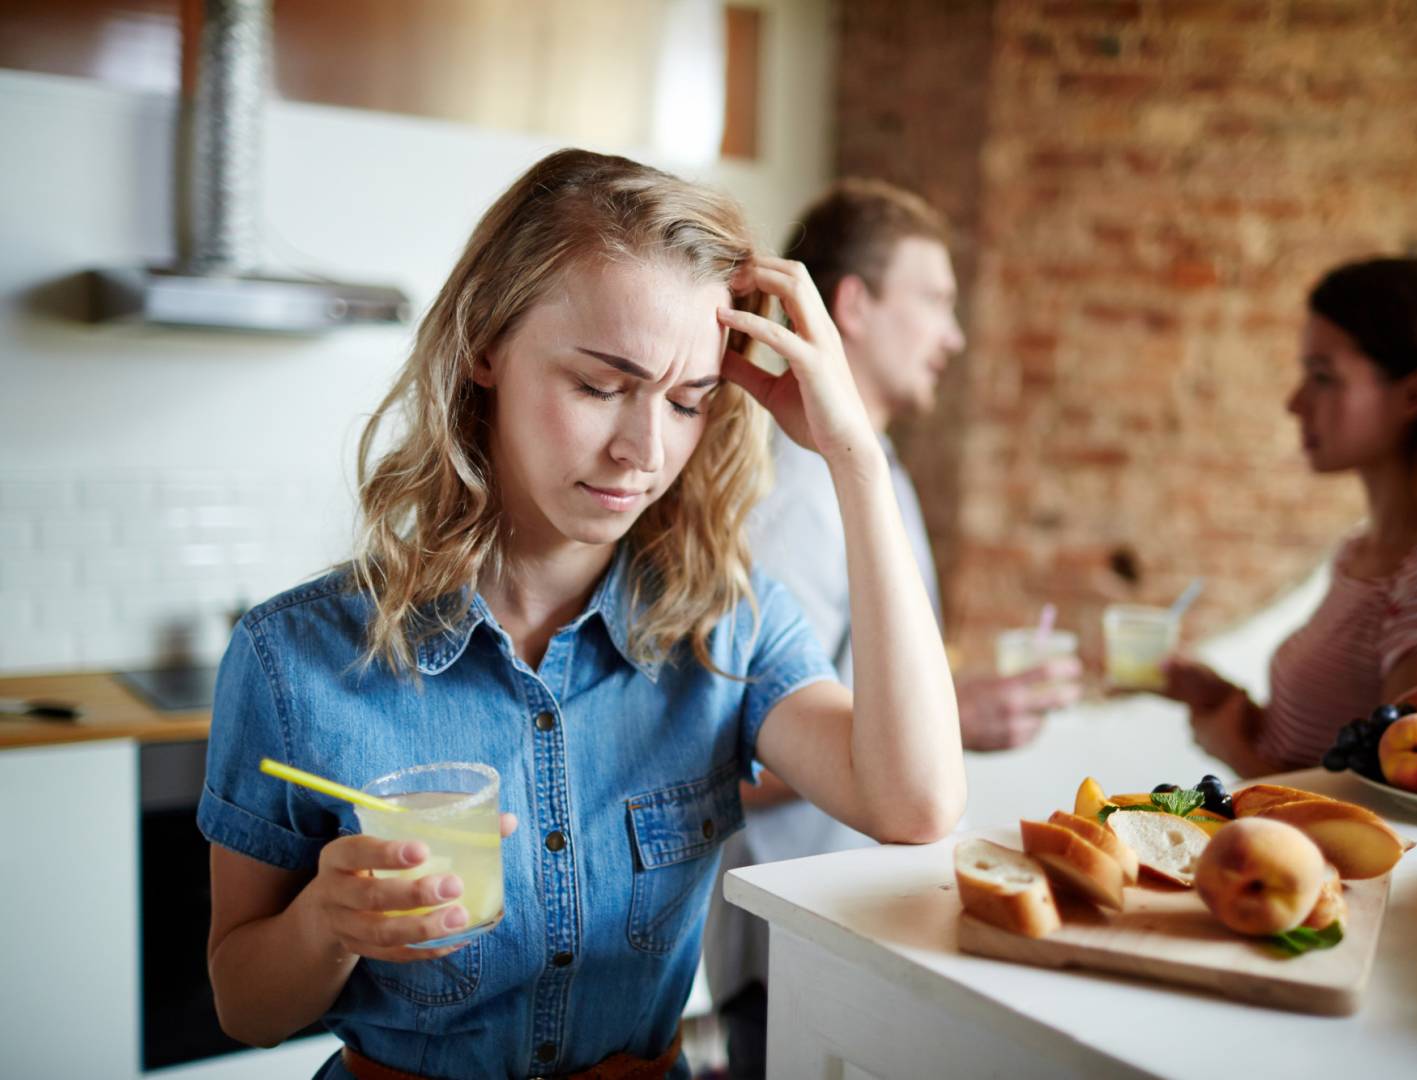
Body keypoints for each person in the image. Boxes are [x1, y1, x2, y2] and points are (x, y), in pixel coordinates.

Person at [197, 149, 965, 1080]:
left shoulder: (727, 626)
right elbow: (243, 1004)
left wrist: (855, 455)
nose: (644, 449)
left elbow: (914, 805)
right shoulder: (292, 657)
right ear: (486, 345)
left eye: (688, 401)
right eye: (601, 386)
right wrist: (325, 924)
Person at [703, 179, 1083, 1077]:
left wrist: (943, 704)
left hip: (848, 920)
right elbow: (725, 751)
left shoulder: (872, 472)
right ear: (855, 307)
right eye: (937, 302)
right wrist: (942, 725)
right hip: (794, 938)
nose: (955, 335)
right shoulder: (794, 498)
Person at [1160, 256, 1417, 778]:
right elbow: (1333, 747)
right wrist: (1232, 706)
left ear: (1414, 395)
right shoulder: (1363, 552)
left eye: (1322, 377)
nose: (1295, 402)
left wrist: (1237, 753)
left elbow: (1401, 819)